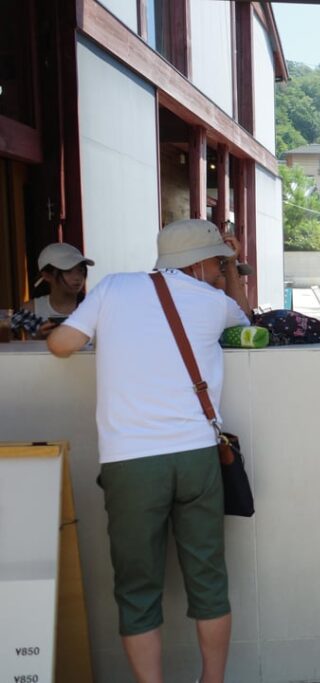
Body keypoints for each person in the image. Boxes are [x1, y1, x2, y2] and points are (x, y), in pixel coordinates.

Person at [47, 219, 252, 683]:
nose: (222, 272)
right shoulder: (214, 303)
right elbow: (247, 321)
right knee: (209, 582)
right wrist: (237, 276)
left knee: (137, 589)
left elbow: (61, 344)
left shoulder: (114, 288)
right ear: (198, 263)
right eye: (219, 263)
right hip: (198, 458)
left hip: (131, 463)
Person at [24, 242, 95, 337]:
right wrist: (38, 336)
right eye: (68, 271)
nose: (77, 277)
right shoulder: (31, 310)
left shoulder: (94, 307)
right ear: (47, 275)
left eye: (80, 270)